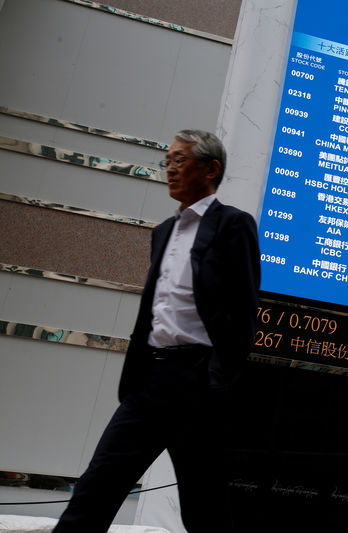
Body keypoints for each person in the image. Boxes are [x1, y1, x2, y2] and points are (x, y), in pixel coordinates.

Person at [54, 130, 260, 533]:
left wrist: (218, 379)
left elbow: (243, 312)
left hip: (198, 382)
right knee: (98, 486)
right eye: (167, 161)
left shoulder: (233, 225)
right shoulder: (163, 231)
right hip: (149, 381)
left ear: (211, 168)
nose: (169, 170)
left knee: (204, 507)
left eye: (180, 160)